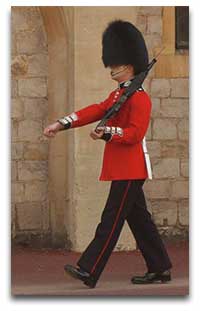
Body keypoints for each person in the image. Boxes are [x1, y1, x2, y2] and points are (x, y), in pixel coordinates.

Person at [43, 20, 172, 288]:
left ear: (130, 65)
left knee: (110, 220)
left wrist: (108, 132)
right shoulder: (118, 96)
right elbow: (94, 110)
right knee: (140, 220)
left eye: (117, 64)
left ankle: (89, 269)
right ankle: (160, 267)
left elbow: (135, 134)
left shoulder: (139, 98)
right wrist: (62, 123)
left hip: (131, 168)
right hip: (123, 168)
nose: (112, 69)